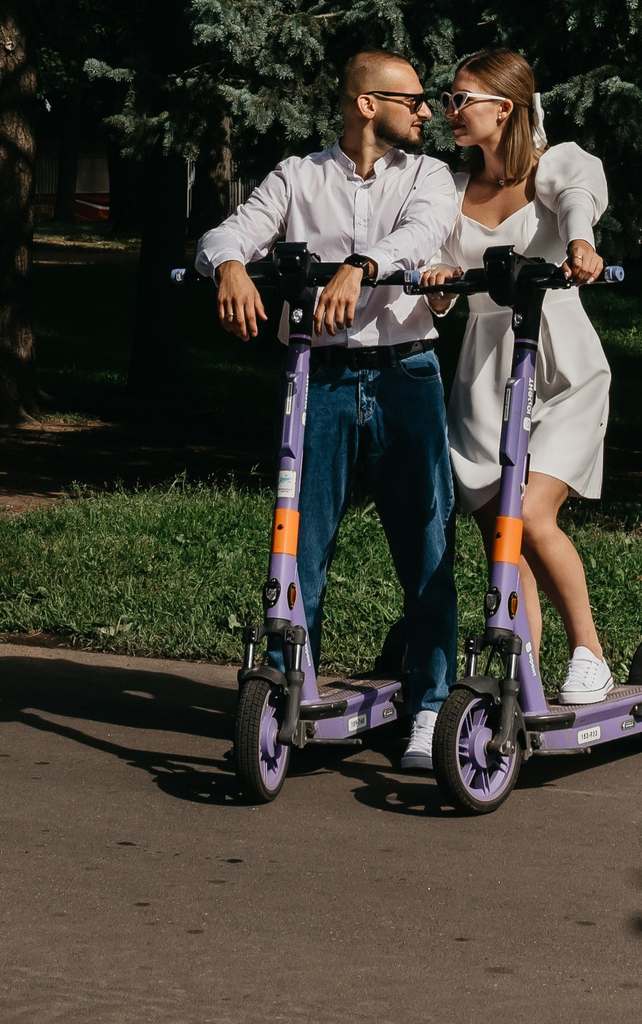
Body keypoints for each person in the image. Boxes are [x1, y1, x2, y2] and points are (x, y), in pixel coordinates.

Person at [195, 49, 463, 772]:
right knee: (298, 544)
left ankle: (432, 705)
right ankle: (288, 691)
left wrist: (362, 264)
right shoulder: (297, 175)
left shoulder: (427, 176)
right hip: (319, 375)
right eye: (414, 99)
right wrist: (227, 266)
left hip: (406, 372)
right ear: (367, 103)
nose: (428, 111)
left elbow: (423, 234)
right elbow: (228, 233)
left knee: (426, 544)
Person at [426, 49, 618, 705]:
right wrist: (437, 284)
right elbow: (441, 291)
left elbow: (576, 202)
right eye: (448, 99)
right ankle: (522, 672)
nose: (449, 111)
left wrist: (581, 246)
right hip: (484, 371)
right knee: (500, 534)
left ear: (504, 107)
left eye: (462, 99)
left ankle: (590, 651)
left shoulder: (556, 164)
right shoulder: (450, 191)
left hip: (559, 358)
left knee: (532, 515)